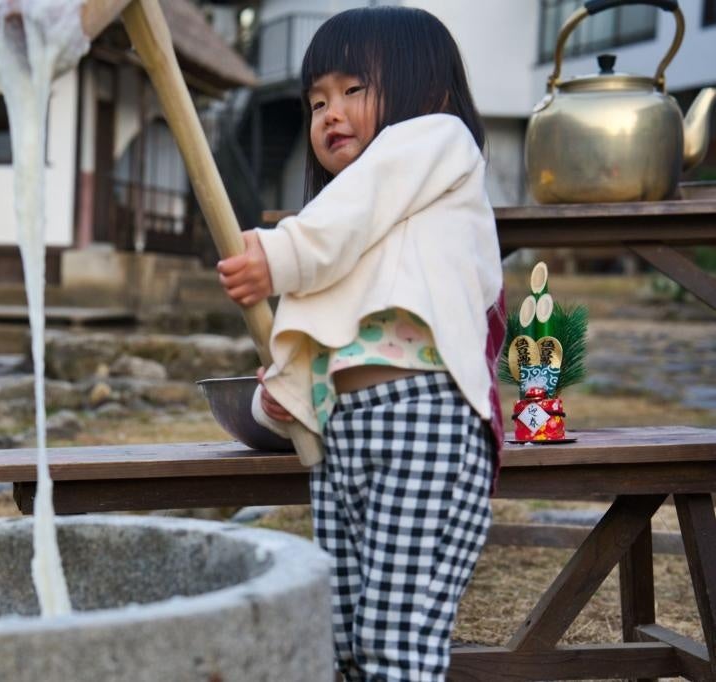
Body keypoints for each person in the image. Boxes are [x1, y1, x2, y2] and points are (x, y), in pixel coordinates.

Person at [217, 7, 506, 681]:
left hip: (421, 419)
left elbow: (343, 217)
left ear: (426, 90)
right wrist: (277, 403)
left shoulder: (436, 139)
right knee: (341, 632)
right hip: (343, 437)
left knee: (393, 635)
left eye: (352, 89)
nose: (328, 113)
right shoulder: (344, 228)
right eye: (316, 99)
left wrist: (280, 253)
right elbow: (311, 343)